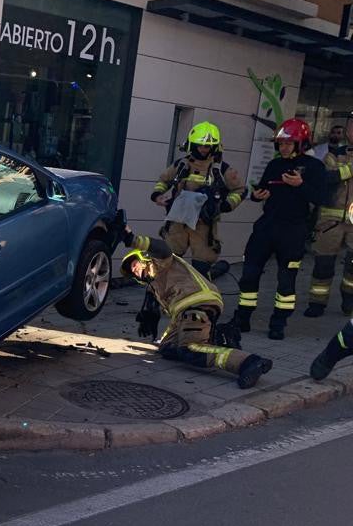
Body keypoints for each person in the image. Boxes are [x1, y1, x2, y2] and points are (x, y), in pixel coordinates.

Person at [121, 226, 273, 388]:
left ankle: (248, 362)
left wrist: (133, 240)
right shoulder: (154, 285)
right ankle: (218, 336)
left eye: (135, 264)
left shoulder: (160, 262)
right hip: (184, 312)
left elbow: (163, 248)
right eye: (132, 271)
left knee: (190, 350)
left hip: (197, 304)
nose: (135, 270)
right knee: (167, 349)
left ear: (145, 258)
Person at [233, 118, 329, 340]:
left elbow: (321, 198)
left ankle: (278, 323)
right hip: (267, 227)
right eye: (281, 143)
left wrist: (300, 185)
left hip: (293, 230)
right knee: (249, 274)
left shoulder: (315, 167)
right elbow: (262, 189)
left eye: (288, 143)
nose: (283, 148)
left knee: (286, 281)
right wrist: (257, 195)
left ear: (301, 143)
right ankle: (243, 317)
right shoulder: (274, 165)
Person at [151, 121, 246, 280]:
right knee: (166, 263)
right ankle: (161, 294)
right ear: (192, 144)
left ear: (214, 147)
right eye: (199, 145)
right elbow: (163, 180)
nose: (203, 149)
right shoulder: (181, 164)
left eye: (207, 146)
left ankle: (201, 294)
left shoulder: (221, 169)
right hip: (178, 223)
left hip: (204, 226)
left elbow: (241, 189)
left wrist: (227, 205)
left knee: (201, 270)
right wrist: (157, 195)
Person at [304, 117, 353, 318]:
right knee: (323, 264)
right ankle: (317, 304)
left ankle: (349, 301)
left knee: (352, 269)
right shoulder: (333, 154)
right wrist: (349, 169)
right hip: (329, 222)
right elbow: (326, 178)